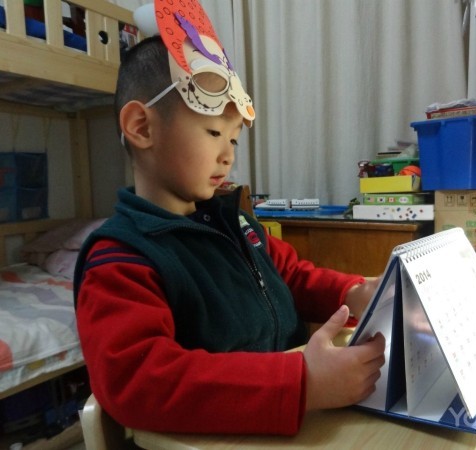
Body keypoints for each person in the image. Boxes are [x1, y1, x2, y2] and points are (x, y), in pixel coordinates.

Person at [74, 1, 385, 436]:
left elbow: (292, 277)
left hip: (291, 424)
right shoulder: (122, 258)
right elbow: (139, 379)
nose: (228, 155)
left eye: (234, 139)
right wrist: (303, 383)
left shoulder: (236, 224)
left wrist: (353, 293)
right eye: (213, 132)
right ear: (142, 128)